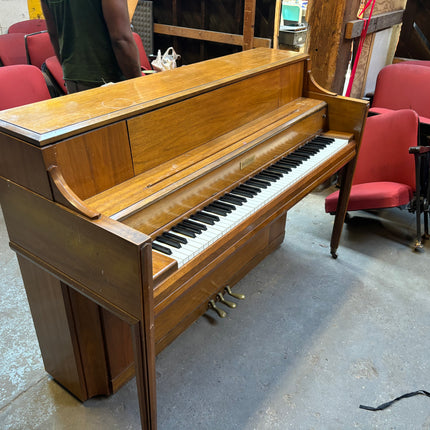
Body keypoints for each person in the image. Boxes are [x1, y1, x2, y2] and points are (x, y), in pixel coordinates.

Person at [41, 0, 142, 93]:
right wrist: (138, 83)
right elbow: (121, 39)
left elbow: (54, 34)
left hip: (73, 79)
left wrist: (70, 69)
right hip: (109, 80)